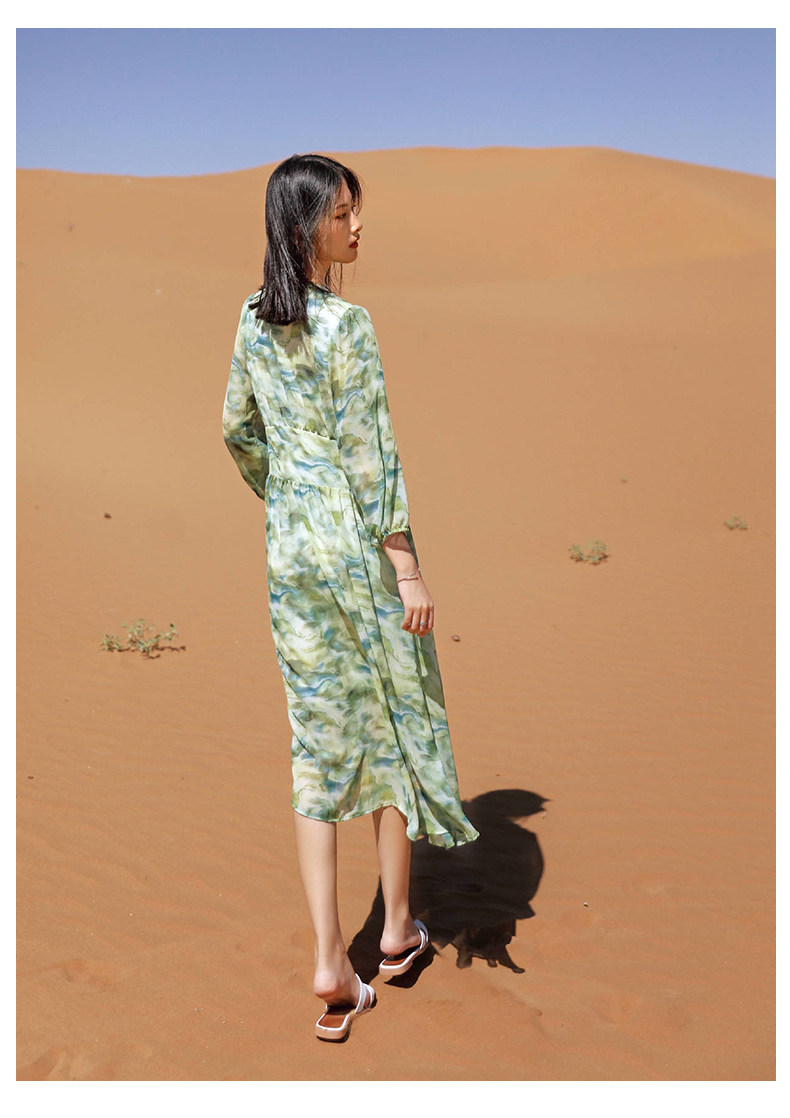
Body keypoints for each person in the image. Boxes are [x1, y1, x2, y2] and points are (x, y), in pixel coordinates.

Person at [222, 153, 479, 1041]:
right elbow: (373, 460)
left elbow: (236, 429)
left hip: (290, 549)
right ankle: (397, 930)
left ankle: (333, 958)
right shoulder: (349, 326)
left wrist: (289, 495)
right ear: (305, 227)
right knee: (395, 716)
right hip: (358, 548)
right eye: (342, 214)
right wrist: (406, 568)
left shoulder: (251, 318)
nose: (357, 226)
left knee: (318, 738)